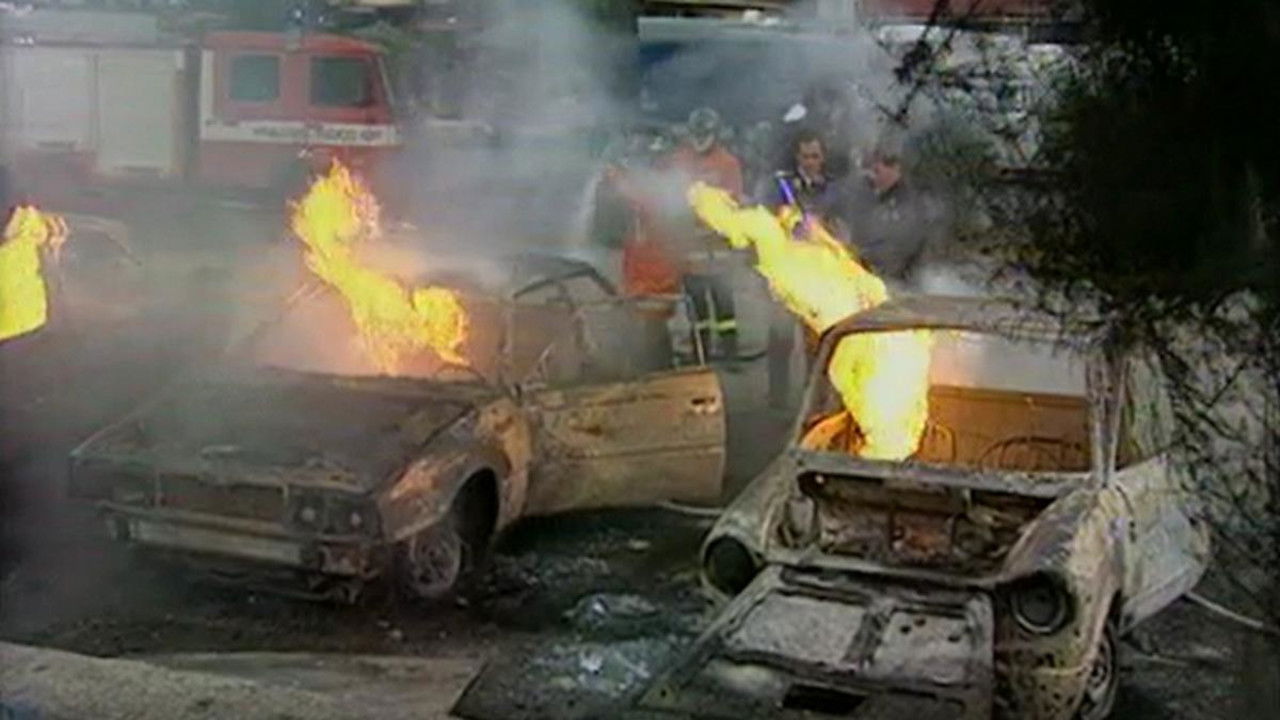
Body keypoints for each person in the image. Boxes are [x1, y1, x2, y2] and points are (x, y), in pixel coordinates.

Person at [658, 107, 745, 361]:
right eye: (697, 133)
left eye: (705, 133)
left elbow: (734, 200)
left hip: (718, 250)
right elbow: (670, 197)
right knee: (698, 309)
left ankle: (730, 352)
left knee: (724, 306)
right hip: (691, 251)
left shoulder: (727, 163)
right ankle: (701, 354)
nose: (700, 138)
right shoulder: (680, 161)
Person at [847, 139, 929, 283]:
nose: (873, 176)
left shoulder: (909, 203)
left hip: (898, 282)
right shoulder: (868, 196)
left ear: (895, 169)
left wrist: (861, 254)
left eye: (877, 171)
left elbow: (898, 246)